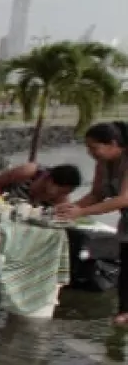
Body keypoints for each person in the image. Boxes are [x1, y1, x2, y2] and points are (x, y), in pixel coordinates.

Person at [57, 123, 128, 325]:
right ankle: (124, 311)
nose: (90, 153)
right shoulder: (103, 163)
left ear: (113, 144)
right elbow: (98, 194)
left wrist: (82, 212)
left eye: (94, 147)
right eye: (88, 148)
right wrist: (70, 209)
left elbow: (124, 198)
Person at [0, 163, 82, 207]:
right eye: (61, 191)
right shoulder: (28, 172)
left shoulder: (61, 199)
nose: (62, 196)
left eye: (66, 193)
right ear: (50, 179)